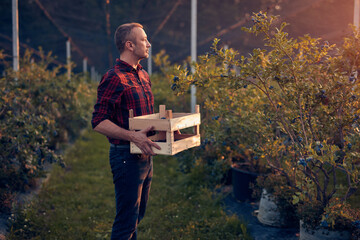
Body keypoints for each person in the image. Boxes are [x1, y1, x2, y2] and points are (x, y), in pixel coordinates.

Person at [91, 22, 161, 240]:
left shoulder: (143, 75)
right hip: (125, 157)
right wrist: (132, 136)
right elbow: (98, 121)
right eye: (144, 40)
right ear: (129, 45)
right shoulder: (114, 77)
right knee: (126, 221)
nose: (149, 44)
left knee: (137, 215)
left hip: (145, 156)